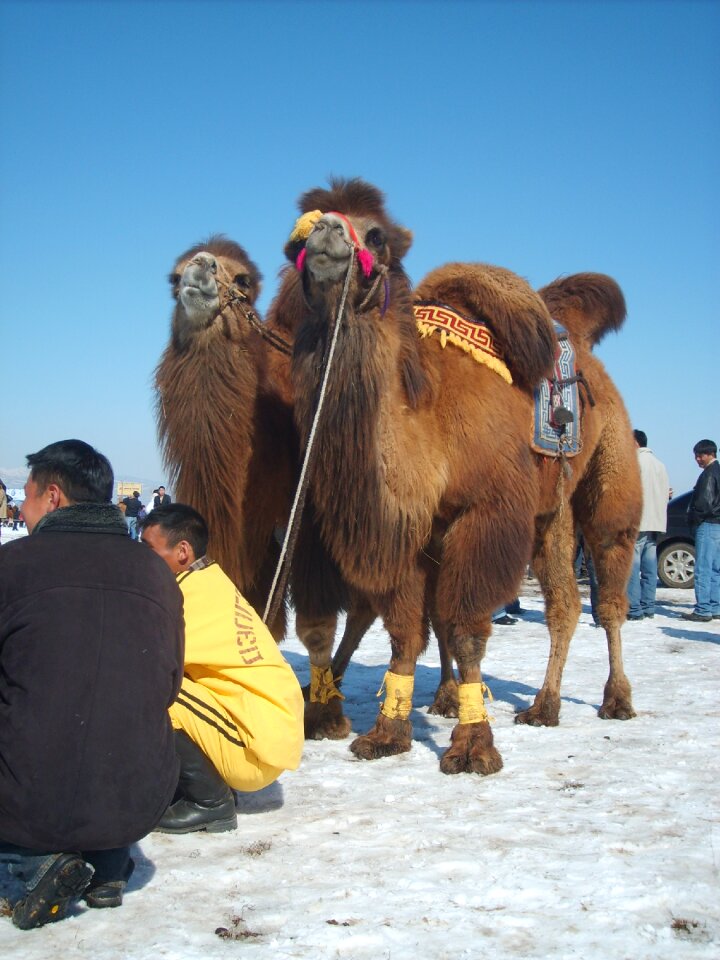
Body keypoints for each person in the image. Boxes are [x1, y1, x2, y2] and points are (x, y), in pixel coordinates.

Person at [0, 440, 184, 930]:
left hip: (33, 800)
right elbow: (169, 685)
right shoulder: (157, 573)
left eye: (29, 495)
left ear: (54, 497)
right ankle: (105, 866)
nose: (21, 507)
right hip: (136, 800)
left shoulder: (11, 567)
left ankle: (29, 865)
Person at [141, 504, 304, 834]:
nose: (142, 561)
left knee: (152, 689)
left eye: (149, 550)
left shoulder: (187, 597)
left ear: (183, 551)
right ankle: (199, 785)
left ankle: (210, 802)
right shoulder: (208, 581)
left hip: (255, 749)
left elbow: (139, 657)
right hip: (261, 733)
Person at [626, 430, 670, 620]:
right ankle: (648, 606)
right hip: (656, 522)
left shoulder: (633, 463)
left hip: (637, 522)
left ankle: (634, 609)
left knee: (632, 568)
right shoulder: (660, 465)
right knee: (650, 568)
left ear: (635, 443)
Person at [683, 439, 720, 622]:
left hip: (707, 524)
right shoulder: (718, 471)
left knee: (703, 568)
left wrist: (695, 518)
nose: (697, 459)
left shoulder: (708, 474)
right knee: (715, 568)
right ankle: (715, 606)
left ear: (710, 454)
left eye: (700, 455)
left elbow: (704, 503)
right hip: (718, 526)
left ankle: (703, 608)